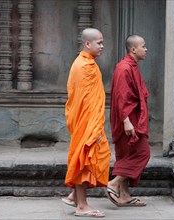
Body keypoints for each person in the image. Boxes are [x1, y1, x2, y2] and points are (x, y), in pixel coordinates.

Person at [62, 27, 111, 218]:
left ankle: (75, 195)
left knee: (98, 155)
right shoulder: (84, 66)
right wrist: (94, 128)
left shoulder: (85, 62)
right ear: (87, 44)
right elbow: (87, 101)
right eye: (99, 43)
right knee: (85, 159)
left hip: (85, 120)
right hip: (87, 121)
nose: (102, 46)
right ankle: (82, 206)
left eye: (102, 42)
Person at [106, 35, 150, 207]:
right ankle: (114, 183)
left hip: (131, 117)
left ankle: (124, 195)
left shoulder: (131, 66)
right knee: (143, 153)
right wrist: (126, 120)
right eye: (143, 46)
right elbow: (121, 97)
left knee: (126, 154)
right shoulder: (124, 68)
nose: (146, 49)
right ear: (133, 49)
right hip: (129, 119)